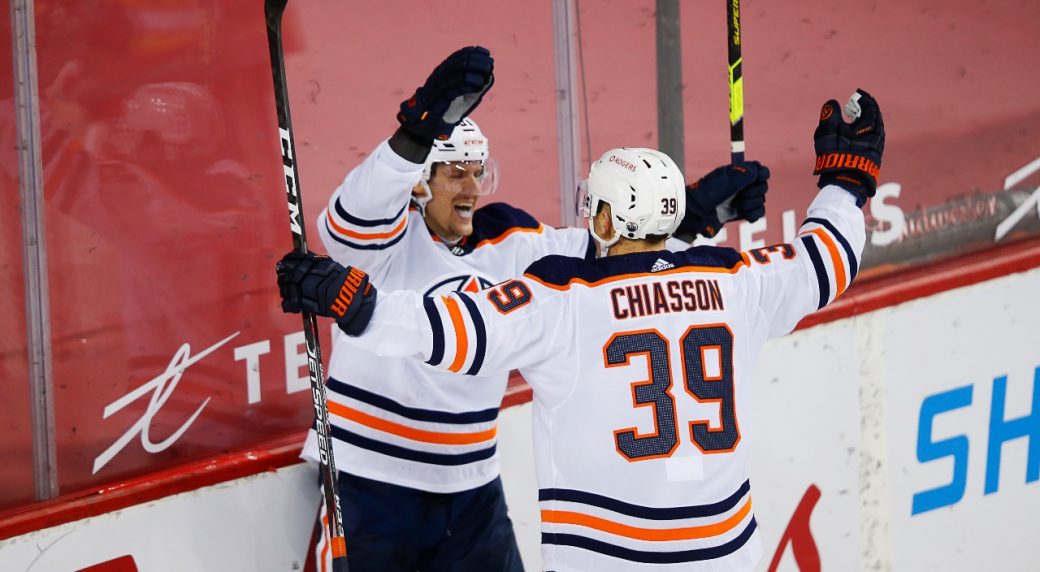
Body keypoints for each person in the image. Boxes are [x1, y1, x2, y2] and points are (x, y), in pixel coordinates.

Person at [302, 44, 772, 571]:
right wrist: (412, 135)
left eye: (478, 172)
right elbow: (347, 219)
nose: (472, 187)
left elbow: (615, 259)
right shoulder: (384, 240)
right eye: (456, 173)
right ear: (420, 182)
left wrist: (691, 217)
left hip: (471, 486)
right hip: (368, 478)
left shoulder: (512, 238)